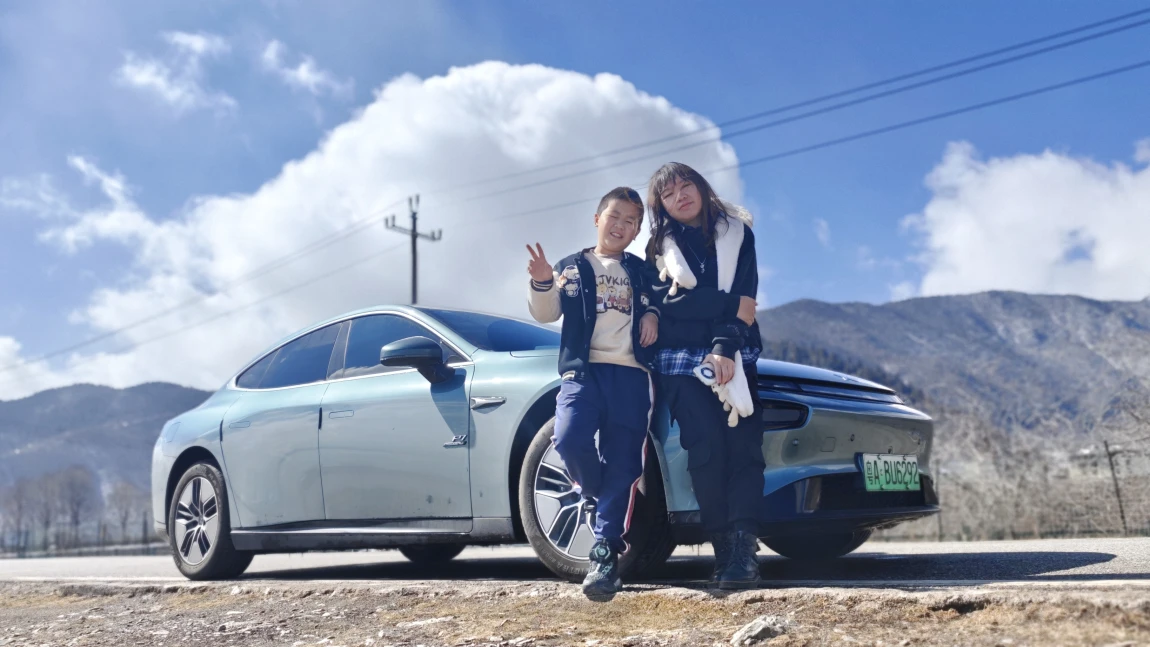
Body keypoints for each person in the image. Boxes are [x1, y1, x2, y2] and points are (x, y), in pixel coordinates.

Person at [526, 186, 660, 600]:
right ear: (597, 219)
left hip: (632, 376)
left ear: (636, 232)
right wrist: (542, 281)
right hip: (582, 374)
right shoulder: (571, 267)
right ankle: (598, 494)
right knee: (567, 437)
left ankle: (604, 556)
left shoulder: (641, 272)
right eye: (614, 216)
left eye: (631, 221)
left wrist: (653, 315)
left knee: (624, 460)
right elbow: (546, 312)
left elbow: (659, 302)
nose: (621, 225)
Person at [644, 162, 764, 590]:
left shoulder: (738, 234)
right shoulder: (659, 247)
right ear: (661, 206)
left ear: (701, 186)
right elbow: (668, 304)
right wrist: (728, 304)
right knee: (706, 449)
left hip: (735, 351)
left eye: (686, 185)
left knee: (744, 448)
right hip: (678, 360)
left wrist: (724, 347)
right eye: (669, 194)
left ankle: (745, 549)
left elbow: (747, 297)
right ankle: (723, 549)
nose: (680, 196)